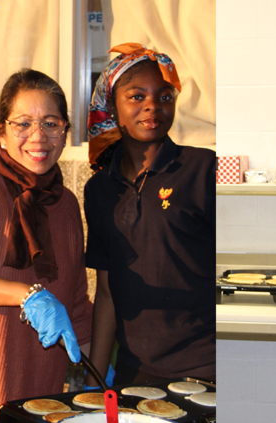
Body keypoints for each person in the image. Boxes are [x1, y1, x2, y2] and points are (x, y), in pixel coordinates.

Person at [84, 44, 216, 385]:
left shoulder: (202, 170)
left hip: (205, 369)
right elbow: (108, 292)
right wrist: (95, 382)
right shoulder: (100, 189)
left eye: (165, 97)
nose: (152, 107)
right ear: (112, 105)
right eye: (137, 96)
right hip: (134, 371)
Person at [0, 69, 92, 419]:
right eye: (23, 123)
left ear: (65, 131)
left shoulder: (66, 204)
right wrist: (28, 295)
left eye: (51, 123)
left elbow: (76, 299)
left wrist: (96, 366)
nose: (38, 137)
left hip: (46, 386)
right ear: (2, 132)